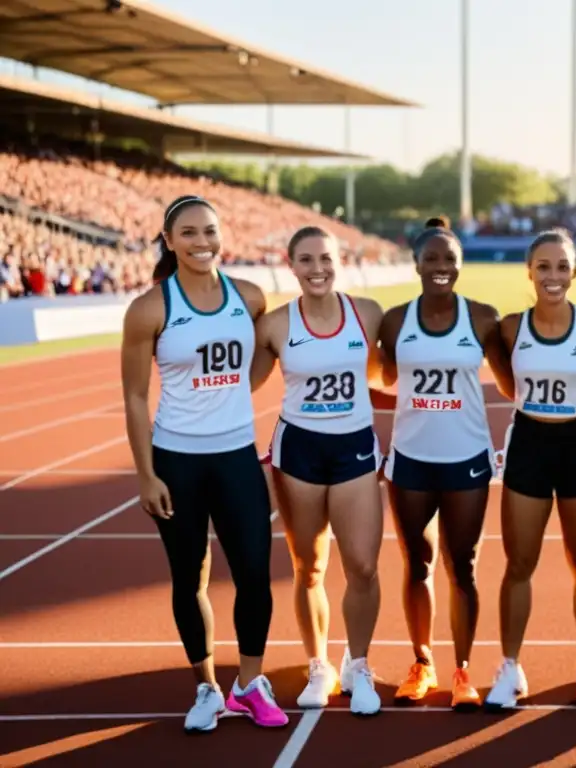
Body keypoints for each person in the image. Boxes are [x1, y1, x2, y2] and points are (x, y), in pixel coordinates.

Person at [120, 195, 287, 732]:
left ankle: (250, 684)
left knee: (255, 577)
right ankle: (208, 689)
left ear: (222, 235)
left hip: (237, 456)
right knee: (188, 579)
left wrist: (244, 388)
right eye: (187, 233)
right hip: (177, 462)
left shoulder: (252, 297)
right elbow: (135, 398)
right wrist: (146, 474)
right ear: (168, 240)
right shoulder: (150, 307)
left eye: (209, 231)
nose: (201, 242)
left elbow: (262, 360)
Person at [376, 216, 512, 711]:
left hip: (466, 460)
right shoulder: (394, 321)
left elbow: (512, 385)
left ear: (460, 264)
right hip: (411, 459)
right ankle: (422, 662)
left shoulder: (482, 319)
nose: (440, 267)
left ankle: (461, 672)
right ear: (415, 263)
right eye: (430, 258)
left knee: (464, 567)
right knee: (417, 564)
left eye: (449, 260)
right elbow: (388, 380)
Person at [250, 226, 385, 716]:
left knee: (364, 566)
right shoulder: (275, 325)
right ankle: (318, 664)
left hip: (353, 447)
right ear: (291, 266)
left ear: (338, 261)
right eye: (305, 260)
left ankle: (360, 663)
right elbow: (239, 383)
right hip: (299, 451)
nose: (317, 269)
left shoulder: (366, 314)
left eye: (325, 258)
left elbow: (387, 372)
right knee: (308, 567)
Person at [483, 228, 576, 714]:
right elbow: (504, 379)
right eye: (544, 266)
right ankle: (509, 666)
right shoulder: (511, 328)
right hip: (529, 445)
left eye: (562, 266)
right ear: (530, 272)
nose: (553, 276)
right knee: (519, 564)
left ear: (575, 271)